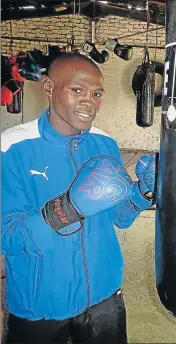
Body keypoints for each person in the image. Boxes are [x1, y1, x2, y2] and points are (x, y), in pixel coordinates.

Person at [1, 53, 156, 343]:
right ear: (48, 88)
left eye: (96, 94)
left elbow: (118, 218)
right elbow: (5, 234)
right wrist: (66, 211)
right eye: (77, 90)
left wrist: (142, 192)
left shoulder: (105, 143)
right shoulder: (12, 147)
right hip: (40, 304)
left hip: (104, 298)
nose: (89, 101)